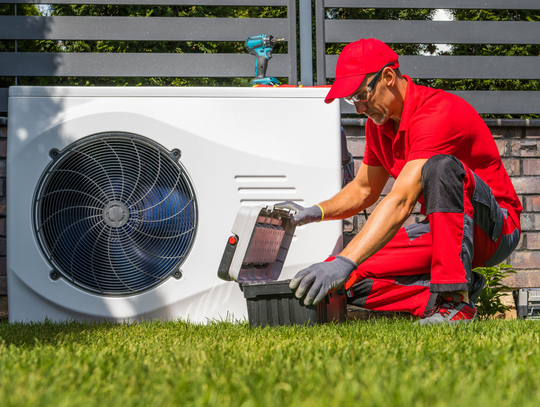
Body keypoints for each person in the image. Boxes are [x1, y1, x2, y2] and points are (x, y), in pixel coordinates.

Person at [277, 38, 522, 324]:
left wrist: (346, 258)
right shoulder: (378, 127)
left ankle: (455, 301)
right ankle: (449, 294)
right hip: (445, 231)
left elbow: (402, 199)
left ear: (388, 77)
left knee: (440, 167)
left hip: (495, 228)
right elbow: (363, 189)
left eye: (360, 96)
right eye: (350, 100)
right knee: (347, 280)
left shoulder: (437, 113)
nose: (358, 109)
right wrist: (314, 212)